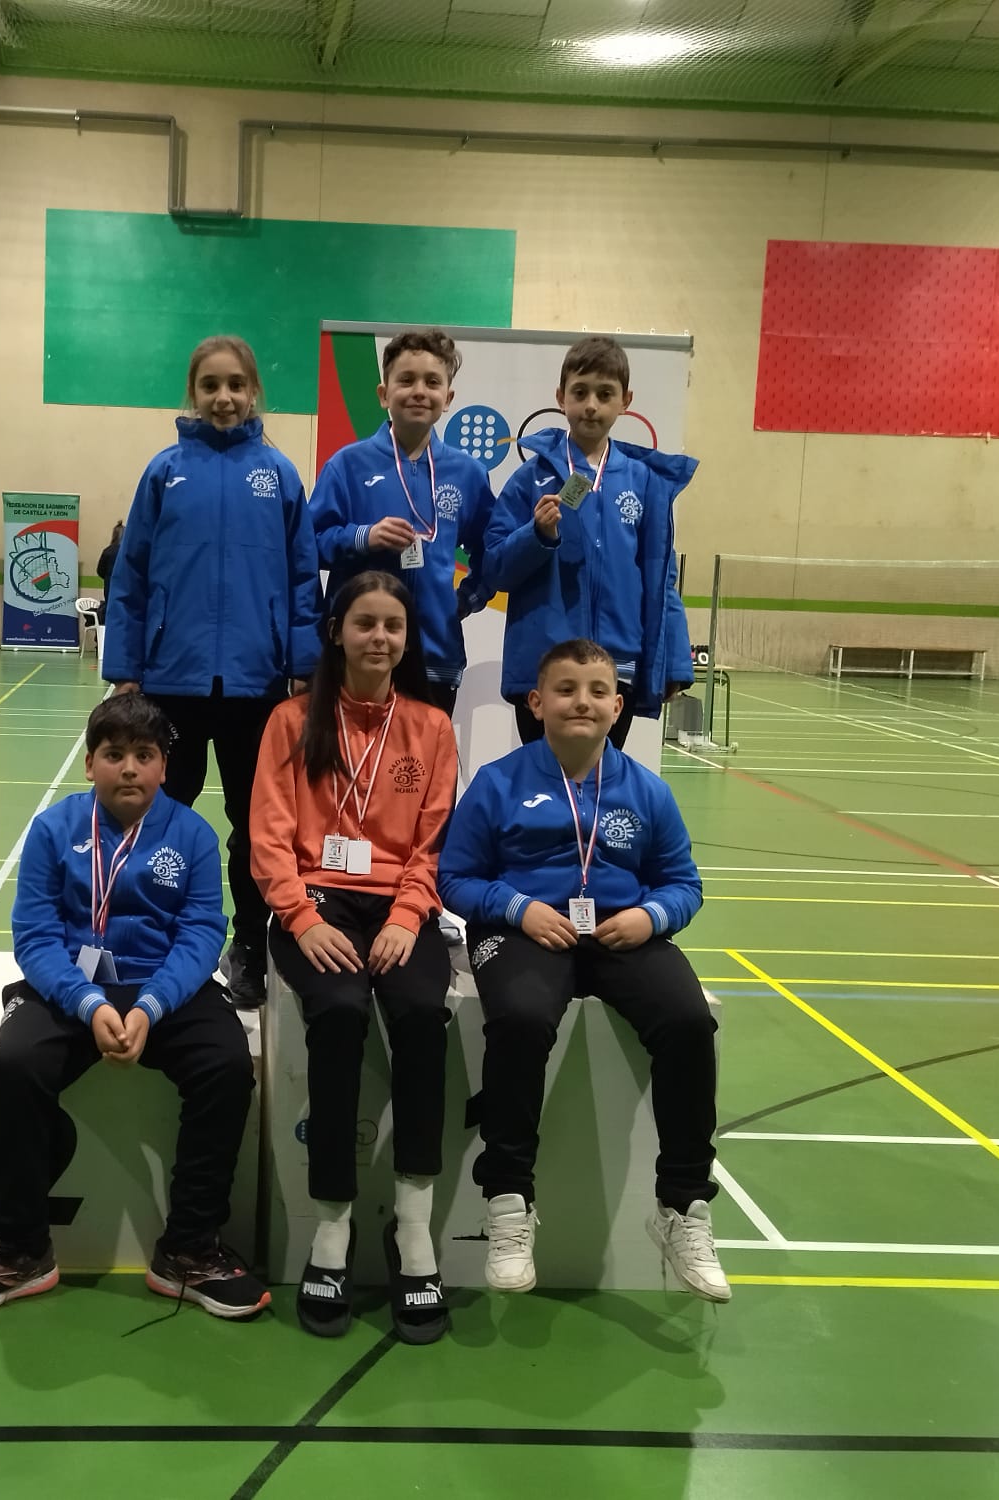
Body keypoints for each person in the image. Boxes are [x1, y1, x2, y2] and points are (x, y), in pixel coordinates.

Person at [0, 693, 269, 1323]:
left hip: (165, 991)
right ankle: (20, 1247)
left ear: (166, 766)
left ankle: (189, 1248)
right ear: (90, 765)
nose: (131, 769)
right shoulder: (54, 829)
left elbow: (201, 933)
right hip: (71, 990)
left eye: (145, 755)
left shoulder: (192, 834)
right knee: (13, 1067)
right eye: (115, 755)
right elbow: (33, 934)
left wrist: (148, 1008)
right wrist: (87, 1003)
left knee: (226, 1065)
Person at [437, 639, 727, 1303]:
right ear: (537, 703)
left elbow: (684, 883)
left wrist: (651, 917)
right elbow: (454, 877)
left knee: (688, 1021)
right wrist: (517, 907)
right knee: (519, 1018)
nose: (582, 702)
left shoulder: (646, 792)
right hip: (523, 931)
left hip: (620, 936)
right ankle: (508, 1199)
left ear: (618, 705)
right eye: (565, 690)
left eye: (597, 691)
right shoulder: (499, 783)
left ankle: (683, 1206)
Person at [249, 572, 458, 1344]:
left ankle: (412, 1230)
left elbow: (433, 840)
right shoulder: (291, 721)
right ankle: (330, 1228)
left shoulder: (432, 727)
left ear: (409, 639)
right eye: (365, 623)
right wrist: (301, 920)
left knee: (420, 1014)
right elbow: (267, 837)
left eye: (394, 626)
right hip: (317, 899)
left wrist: (408, 916)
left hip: (397, 905)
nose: (380, 638)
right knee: (337, 1013)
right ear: (337, 631)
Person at [103, 334, 323, 1009]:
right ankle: (151, 939)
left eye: (236, 384)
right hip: (171, 680)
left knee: (254, 825)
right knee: (156, 818)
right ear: (192, 394)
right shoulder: (165, 472)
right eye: (210, 385)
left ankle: (249, 946)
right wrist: (127, 668)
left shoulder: (280, 475)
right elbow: (131, 575)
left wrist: (304, 666)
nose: (224, 397)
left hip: (255, 687)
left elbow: (300, 578)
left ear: (254, 391)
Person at [483, 335, 697, 749]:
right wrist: (536, 536)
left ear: (626, 400)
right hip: (547, 667)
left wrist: (674, 661)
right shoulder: (531, 480)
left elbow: (660, 579)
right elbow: (494, 569)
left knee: (602, 791)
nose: (591, 405)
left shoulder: (646, 483)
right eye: (580, 393)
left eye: (605, 394)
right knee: (544, 792)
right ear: (561, 397)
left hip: (617, 671)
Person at [309, 329, 495, 716]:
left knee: (423, 770)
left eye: (432, 382)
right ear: (383, 394)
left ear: (448, 398)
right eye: (406, 380)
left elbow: (492, 549)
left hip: (435, 653)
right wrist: (364, 537)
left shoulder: (467, 473)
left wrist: (467, 599)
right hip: (358, 653)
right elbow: (309, 544)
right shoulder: (347, 465)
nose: (419, 391)